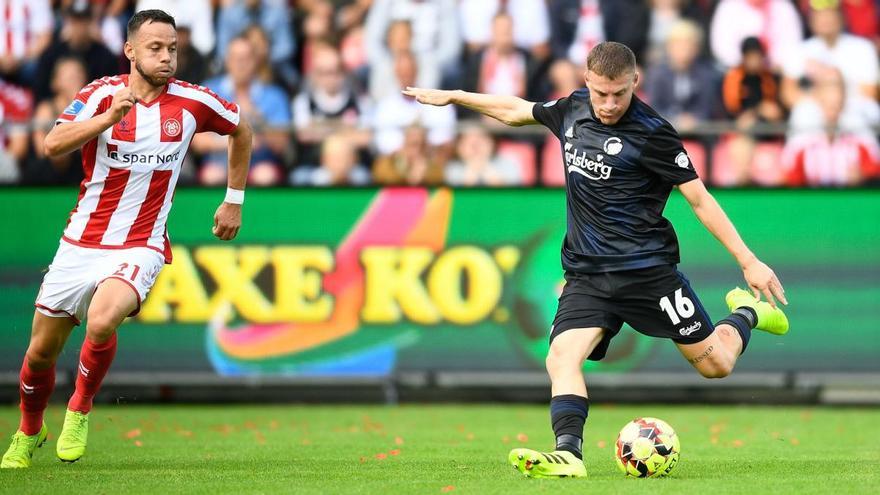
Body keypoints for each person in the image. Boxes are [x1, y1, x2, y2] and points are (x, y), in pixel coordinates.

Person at [404, 41, 789, 478]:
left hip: (648, 275)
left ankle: (748, 312)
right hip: (587, 274)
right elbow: (517, 110)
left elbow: (699, 200)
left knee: (717, 365)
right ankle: (569, 454)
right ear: (587, 80)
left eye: (619, 94)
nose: (608, 104)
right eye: (601, 93)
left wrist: (748, 260)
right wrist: (456, 96)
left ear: (634, 83)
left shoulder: (654, 133)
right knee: (561, 357)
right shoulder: (573, 109)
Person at [0, 9, 252, 469]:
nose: (167, 57)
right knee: (40, 353)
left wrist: (233, 199)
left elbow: (241, 128)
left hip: (142, 242)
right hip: (82, 241)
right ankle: (28, 431)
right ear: (130, 51)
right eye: (155, 48)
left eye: (172, 48)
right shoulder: (99, 94)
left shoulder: (194, 101)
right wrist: (107, 118)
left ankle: (78, 409)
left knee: (101, 320)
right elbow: (51, 145)